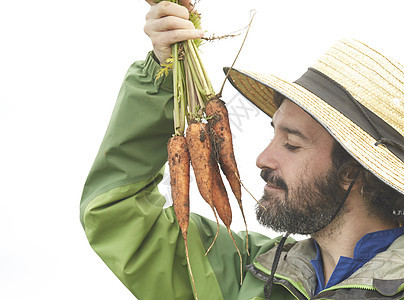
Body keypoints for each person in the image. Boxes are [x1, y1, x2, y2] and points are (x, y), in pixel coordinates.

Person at [80, 1, 404, 299]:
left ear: (352, 172)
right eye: (274, 135)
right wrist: (163, 77)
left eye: (292, 144)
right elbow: (117, 213)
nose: (262, 159)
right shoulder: (243, 271)